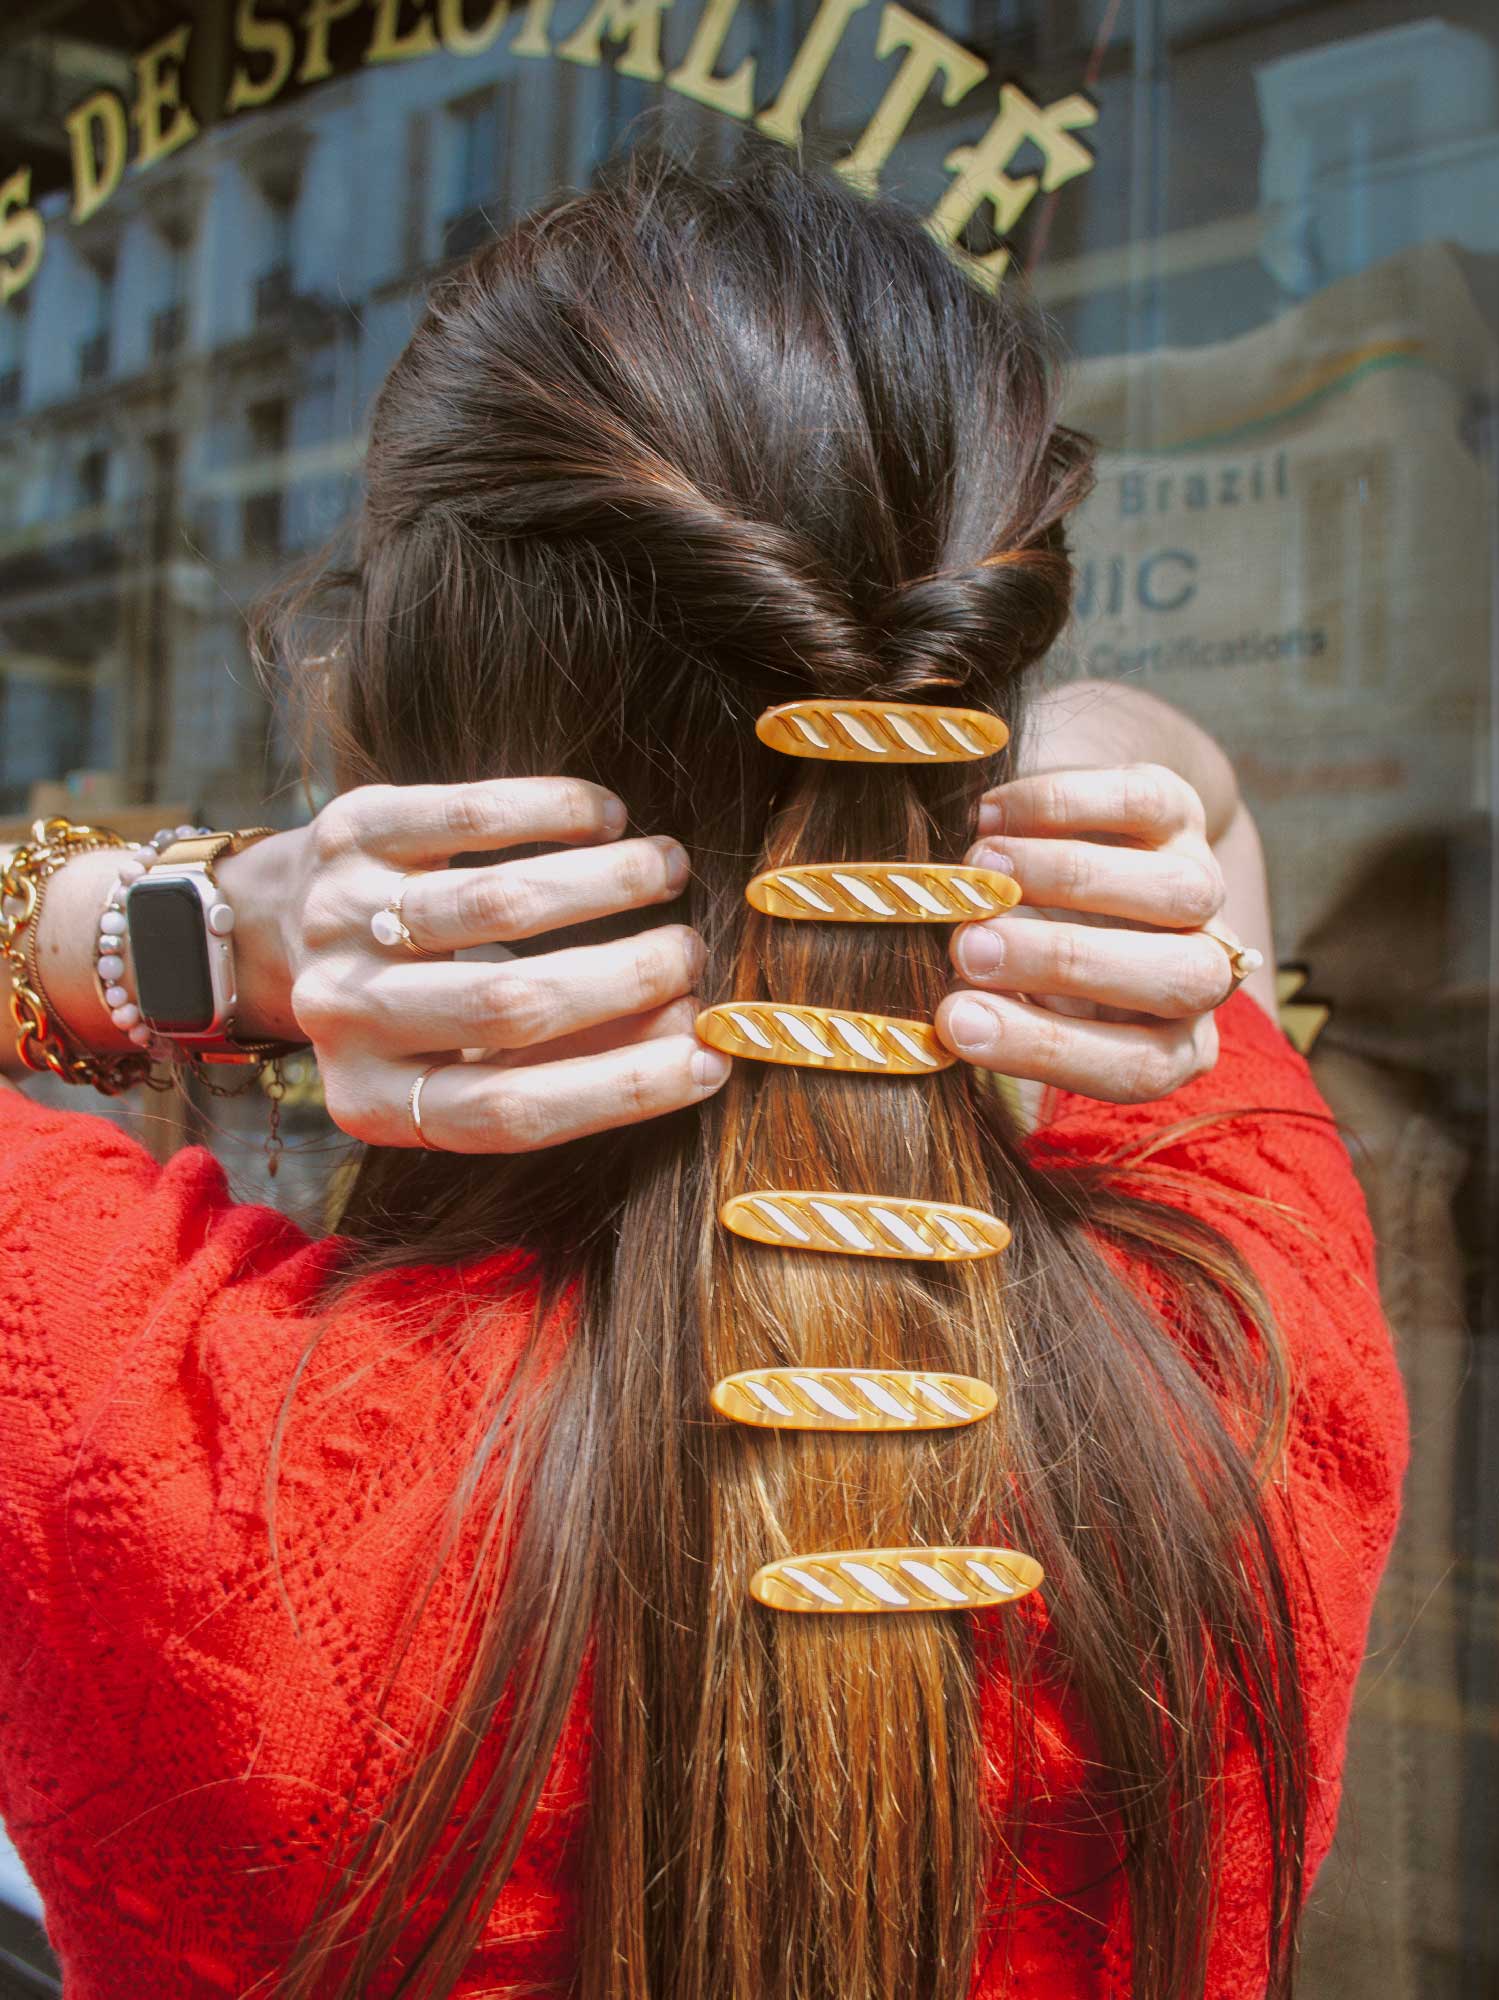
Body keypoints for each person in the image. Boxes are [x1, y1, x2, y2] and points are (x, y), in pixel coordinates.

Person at [0, 149, 1407, 2000]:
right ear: (976, 677)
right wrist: (1060, 769)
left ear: (386, 718)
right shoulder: (1241, 1355)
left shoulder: (145, 1423)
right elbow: (1190, 788)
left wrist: (207, 931)